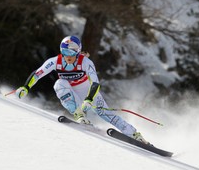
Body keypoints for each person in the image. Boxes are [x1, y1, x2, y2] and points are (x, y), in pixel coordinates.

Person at [15, 35, 149, 144]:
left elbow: (95, 84)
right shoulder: (56, 61)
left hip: (89, 91)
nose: (67, 55)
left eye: (71, 52)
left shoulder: (85, 62)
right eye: (64, 51)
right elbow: (38, 73)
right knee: (59, 84)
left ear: (78, 51)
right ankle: (79, 115)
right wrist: (26, 87)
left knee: (106, 114)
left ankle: (135, 135)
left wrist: (89, 99)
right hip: (71, 92)